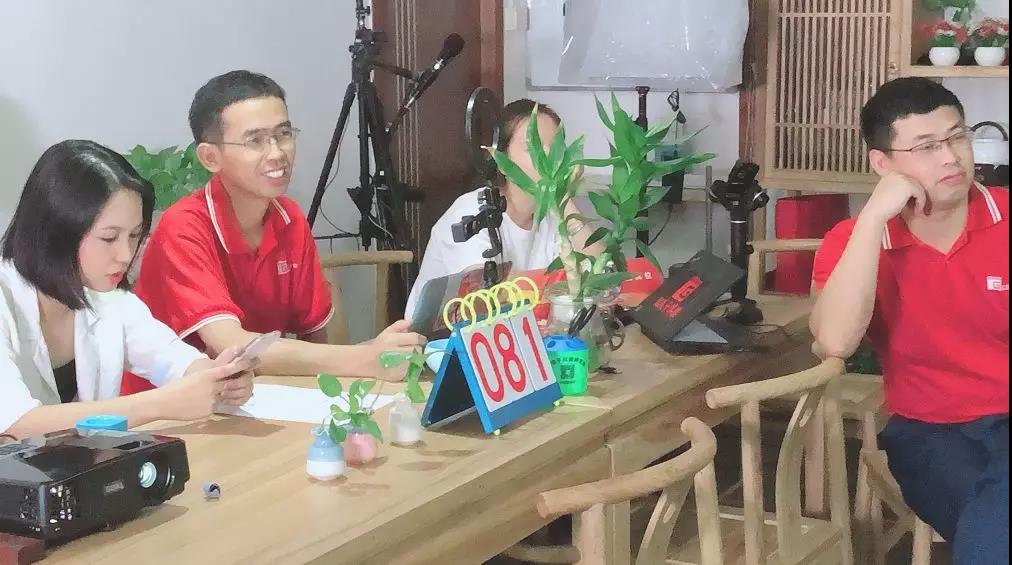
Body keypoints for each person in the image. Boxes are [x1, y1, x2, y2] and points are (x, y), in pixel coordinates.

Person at [121, 70, 423, 396]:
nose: (277, 152)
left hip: (256, 397)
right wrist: (362, 358)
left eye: (283, 134)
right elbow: (230, 344)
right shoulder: (183, 227)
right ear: (210, 157)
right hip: (169, 410)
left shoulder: (289, 218)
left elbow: (318, 334)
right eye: (255, 141)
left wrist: (362, 366)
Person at [811, 77, 1008, 564]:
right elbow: (834, 342)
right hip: (930, 434)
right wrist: (873, 219)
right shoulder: (854, 241)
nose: (950, 158)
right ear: (883, 164)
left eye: (957, 137)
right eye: (926, 147)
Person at [0, 140, 254, 439]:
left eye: (134, 236)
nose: (125, 255)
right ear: (56, 232)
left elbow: (173, 359)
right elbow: (16, 423)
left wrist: (218, 378)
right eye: (109, 238)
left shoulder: (109, 299)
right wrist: (160, 404)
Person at [404, 99, 601, 317]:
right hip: (444, 335)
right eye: (533, 147)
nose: (549, 158)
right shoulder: (472, 211)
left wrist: (563, 198)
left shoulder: (553, 215)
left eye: (556, 148)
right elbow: (483, 297)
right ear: (501, 159)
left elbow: (599, 273)